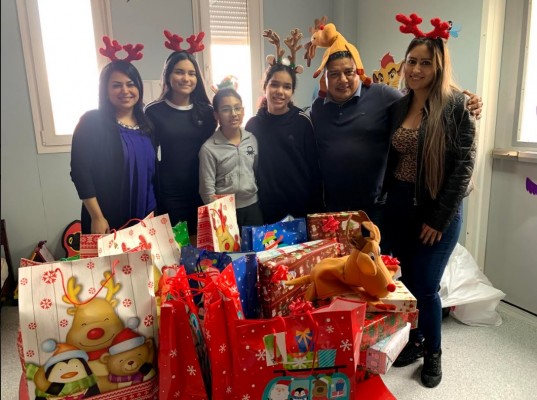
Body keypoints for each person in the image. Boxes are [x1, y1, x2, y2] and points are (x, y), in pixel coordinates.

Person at [307, 19, 482, 229]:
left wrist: (466, 100)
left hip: (375, 207)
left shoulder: (383, 95)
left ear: (359, 71)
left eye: (349, 72)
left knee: (378, 261)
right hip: (333, 207)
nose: (342, 80)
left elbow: (423, 96)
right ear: (324, 76)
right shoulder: (318, 107)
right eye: (333, 74)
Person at [382, 13, 477, 388]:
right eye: (412, 62)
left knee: (425, 286)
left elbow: (463, 168)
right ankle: (416, 340)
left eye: (425, 63)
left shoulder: (456, 107)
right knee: (402, 283)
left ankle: (434, 352)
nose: (416, 69)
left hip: (438, 210)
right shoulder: (396, 105)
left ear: (438, 67)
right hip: (399, 207)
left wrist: (438, 219)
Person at [71, 37, 156, 234]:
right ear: (105, 90)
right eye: (116, 85)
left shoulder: (148, 124)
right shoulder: (92, 122)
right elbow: (80, 172)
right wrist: (97, 217)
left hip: (147, 215)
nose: (125, 91)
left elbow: (152, 172)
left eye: (130, 84)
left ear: (139, 88)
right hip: (107, 217)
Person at [245, 28, 323, 224]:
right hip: (267, 212)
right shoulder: (252, 125)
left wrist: (315, 213)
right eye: (274, 84)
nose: (280, 91)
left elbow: (314, 171)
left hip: (301, 211)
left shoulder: (302, 122)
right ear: (265, 87)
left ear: (292, 91)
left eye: (287, 87)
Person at [145, 31, 217, 235]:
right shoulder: (153, 111)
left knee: (205, 249)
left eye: (191, 73)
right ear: (168, 75)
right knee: (178, 248)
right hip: (170, 193)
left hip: (204, 190)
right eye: (179, 72)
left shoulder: (208, 111)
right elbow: (148, 155)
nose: (186, 78)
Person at [199, 88, 263, 229]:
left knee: (257, 250)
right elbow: (207, 190)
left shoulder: (251, 139)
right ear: (216, 115)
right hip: (224, 212)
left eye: (237, 108)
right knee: (230, 251)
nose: (233, 114)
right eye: (226, 109)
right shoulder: (209, 148)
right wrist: (218, 214)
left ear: (243, 111)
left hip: (253, 207)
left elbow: (256, 171)